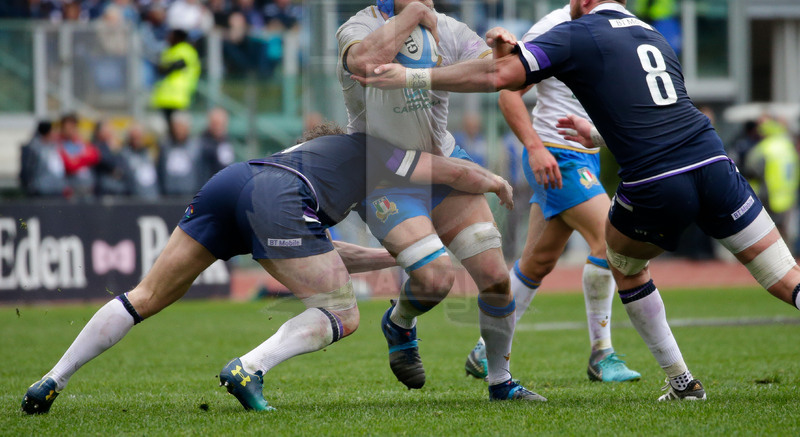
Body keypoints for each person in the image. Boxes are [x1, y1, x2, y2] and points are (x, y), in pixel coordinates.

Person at [357, 0, 800, 401]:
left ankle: (671, 378)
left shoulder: (572, 31)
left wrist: (413, 78)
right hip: (711, 162)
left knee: (619, 262)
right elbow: (657, 114)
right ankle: (550, 352)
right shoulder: (654, 36)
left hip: (653, 177)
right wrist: (585, 136)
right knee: (784, 276)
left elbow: (500, 76)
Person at [21, 124, 513, 415]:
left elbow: (317, 252)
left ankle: (52, 379)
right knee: (343, 313)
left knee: (146, 295)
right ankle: (248, 369)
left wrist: (395, 257)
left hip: (232, 183)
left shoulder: (307, 155)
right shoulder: (370, 149)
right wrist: (493, 180)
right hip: (279, 198)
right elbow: (449, 171)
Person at [337, 0, 542, 401]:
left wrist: (503, 49)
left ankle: (500, 382)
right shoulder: (357, 27)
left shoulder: (445, 28)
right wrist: (410, 15)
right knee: (435, 280)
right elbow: (365, 64)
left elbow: (494, 73)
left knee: (494, 276)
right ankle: (400, 321)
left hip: (443, 165)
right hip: (384, 174)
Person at [463, 0, 640, 385]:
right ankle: (603, 353)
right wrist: (536, 148)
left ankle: (485, 351)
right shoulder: (555, 28)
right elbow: (508, 91)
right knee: (611, 240)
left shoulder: (618, 27)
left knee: (536, 263)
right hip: (556, 155)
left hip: (585, 155)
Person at [744, 116, 800, 238]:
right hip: (787, 196)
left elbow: (750, 171)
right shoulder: (788, 146)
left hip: (766, 195)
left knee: (767, 233)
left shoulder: (763, 148)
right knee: (784, 232)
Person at [149, 28, 201, 129]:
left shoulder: (186, 50)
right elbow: (160, 69)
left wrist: (164, 67)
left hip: (179, 98)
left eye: (171, 36)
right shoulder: (169, 51)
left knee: (178, 129)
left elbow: (172, 67)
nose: (168, 38)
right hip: (164, 98)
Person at [19, 119, 68, 197]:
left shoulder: (54, 147)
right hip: (41, 190)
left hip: (56, 189)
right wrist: (30, 187)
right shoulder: (33, 148)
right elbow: (27, 169)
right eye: (53, 131)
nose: (56, 134)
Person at [198, 107, 236, 183]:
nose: (219, 127)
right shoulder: (202, 143)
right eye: (216, 124)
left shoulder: (226, 141)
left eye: (222, 124)